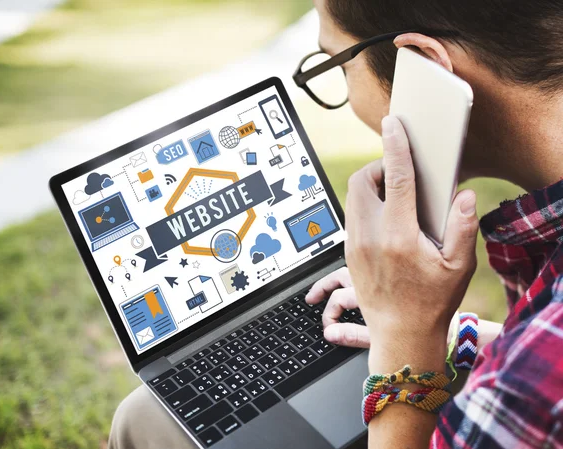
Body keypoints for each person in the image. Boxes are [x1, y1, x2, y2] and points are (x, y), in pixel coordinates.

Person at [109, 0, 563, 448]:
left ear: (426, 69)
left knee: (140, 419)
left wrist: (405, 344)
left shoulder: (529, 393)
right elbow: (531, 351)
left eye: (338, 66)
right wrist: (446, 334)